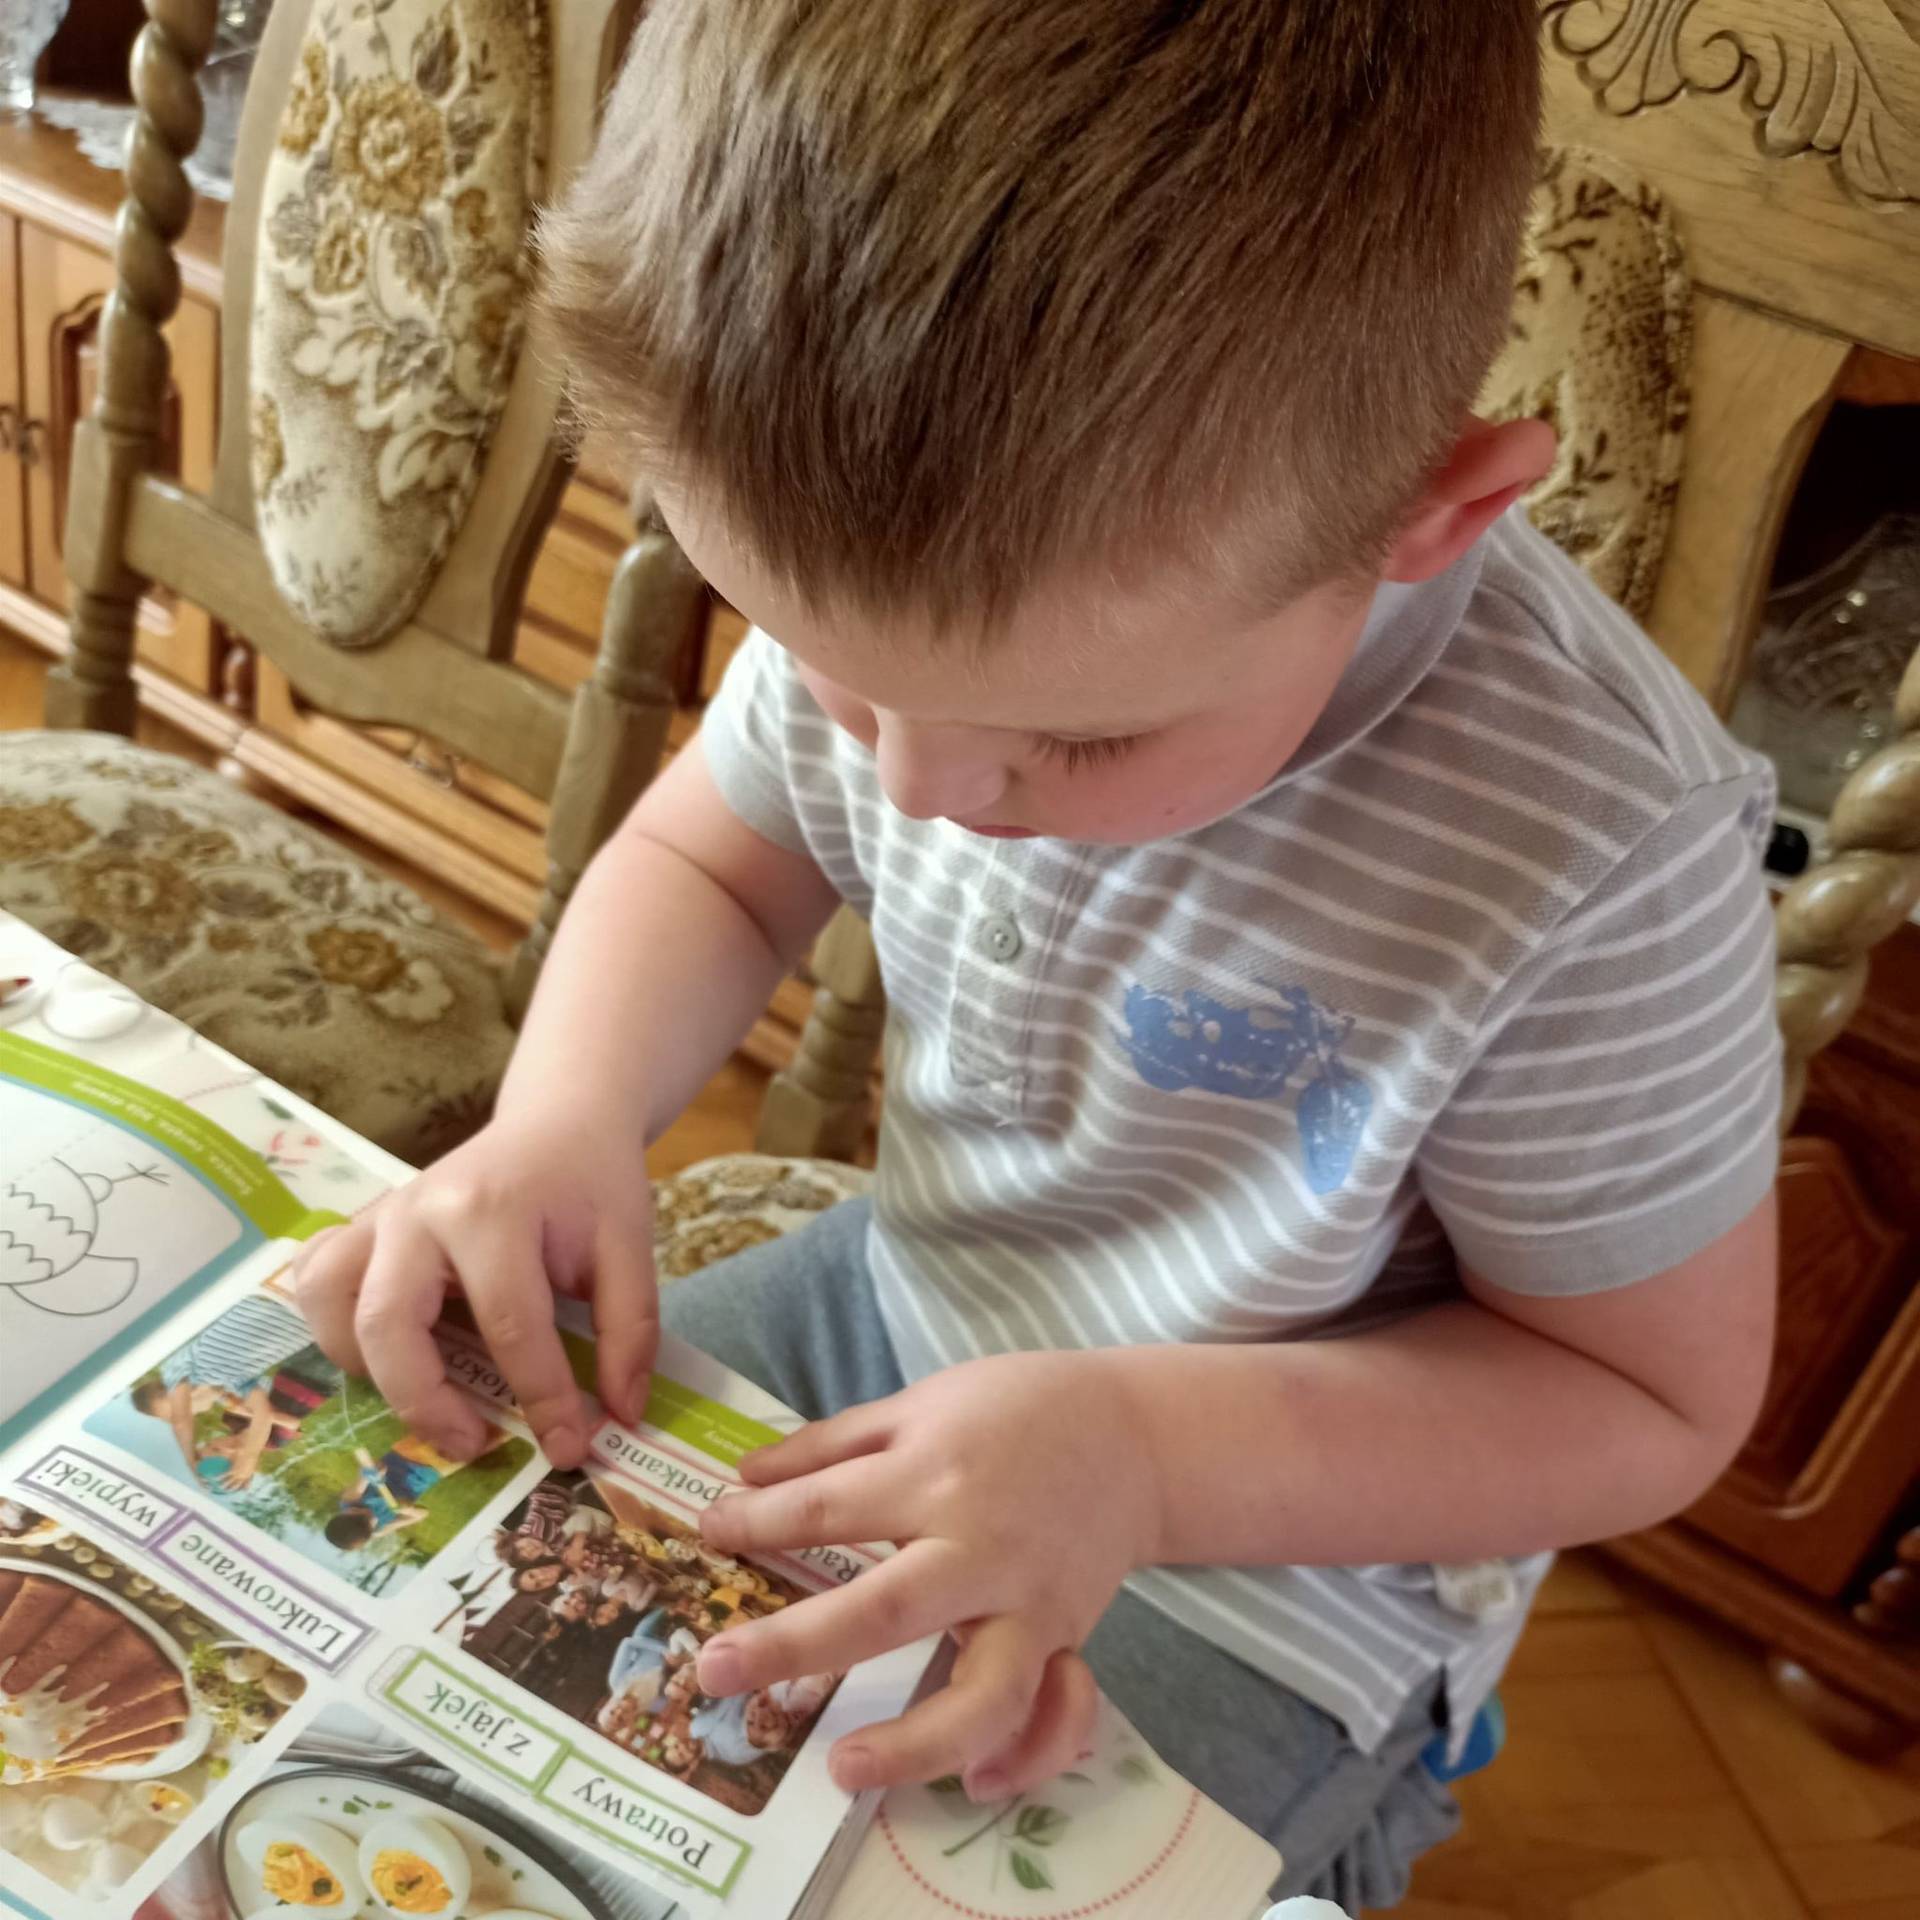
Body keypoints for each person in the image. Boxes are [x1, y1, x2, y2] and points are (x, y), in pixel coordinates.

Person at [292, 3, 1782, 1904]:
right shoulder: (941, 600)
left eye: (1080, 740)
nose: (917, 788)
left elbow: (1645, 1401)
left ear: (1435, 515)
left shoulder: (1597, 846)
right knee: (413, 1607)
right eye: (834, 678)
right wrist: (563, 1116)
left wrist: (1137, 1457)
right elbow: (715, 864)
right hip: (898, 1309)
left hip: (1277, 1560)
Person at [133, 1294, 321, 1491]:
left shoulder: (203, 1371)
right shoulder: (221, 1378)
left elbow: (262, 1415)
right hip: (299, 1309)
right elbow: (262, 1412)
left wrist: (247, 1457)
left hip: (292, 1302)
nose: (195, 1414)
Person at [324, 1435, 461, 1550]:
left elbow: (369, 1470)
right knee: (467, 1445)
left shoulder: (349, 1500)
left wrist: (372, 1474)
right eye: (369, 1520)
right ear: (370, 1531)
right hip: (431, 1472)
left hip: (405, 1454)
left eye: (360, 1513)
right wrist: (409, 1510)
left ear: (348, 1512)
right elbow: (422, 1514)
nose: (370, 1514)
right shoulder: (381, 1528)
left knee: (445, 1423)